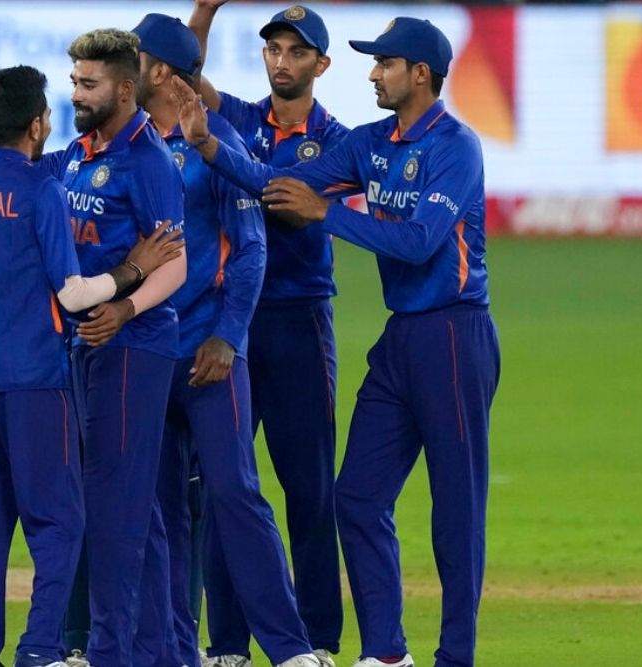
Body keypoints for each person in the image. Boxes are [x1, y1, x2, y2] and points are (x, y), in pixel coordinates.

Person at [176, 16, 500, 667]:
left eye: (383, 63)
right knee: (355, 494)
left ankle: (455, 654)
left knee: (455, 506)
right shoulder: (371, 143)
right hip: (401, 338)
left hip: (455, 333)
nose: (373, 72)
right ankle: (385, 652)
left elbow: (419, 242)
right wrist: (211, 149)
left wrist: (329, 213)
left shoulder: (456, 147)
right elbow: (277, 186)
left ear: (419, 74)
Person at [0, 65, 184, 667]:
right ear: (38, 124)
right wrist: (133, 271)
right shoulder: (43, 191)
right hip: (37, 381)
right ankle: (40, 651)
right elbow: (70, 295)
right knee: (60, 524)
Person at [132, 14, 323, 667]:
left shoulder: (218, 143)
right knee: (156, 507)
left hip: (208, 349)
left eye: (132, 56)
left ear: (157, 70)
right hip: (145, 351)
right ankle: (174, 649)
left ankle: (290, 649)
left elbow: (249, 253)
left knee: (234, 490)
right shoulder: (117, 144)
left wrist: (229, 336)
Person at [187, 4, 349, 664]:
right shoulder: (241, 119)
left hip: (299, 320)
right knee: (229, 483)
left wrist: (215, 152)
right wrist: (204, 10)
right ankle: (227, 643)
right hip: (236, 321)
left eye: (296, 51)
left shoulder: (338, 141)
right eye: (273, 49)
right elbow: (181, 76)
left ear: (320, 65)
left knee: (309, 487)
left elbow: (283, 199)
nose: (281, 60)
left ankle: (318, 640)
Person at [40, 28, 189, 667]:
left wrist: (125, 307)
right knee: (137, 512)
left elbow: (175, 266)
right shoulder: (77, 151)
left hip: (136, 345)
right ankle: (163, 652)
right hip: (85, 342)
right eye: (74, 81)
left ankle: (111, 653)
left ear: (125, 89)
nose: (76, 93)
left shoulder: (149, 160)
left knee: (112, 510)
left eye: (88, 83)